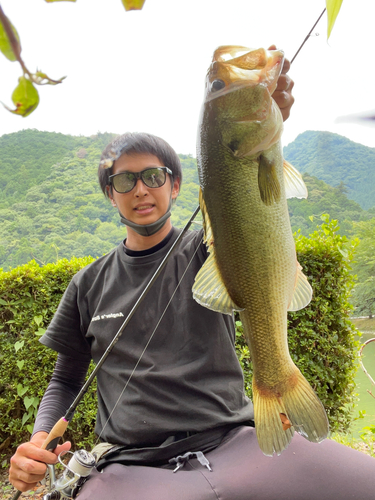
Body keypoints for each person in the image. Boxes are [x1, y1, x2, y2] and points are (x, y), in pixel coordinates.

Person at [9, 54, 375, 500]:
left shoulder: (214, 246)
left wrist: (269, 113)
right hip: (131, 465)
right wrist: (37, 439)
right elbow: (66, 378)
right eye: (124, 181)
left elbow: (247, 207)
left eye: (153, 176)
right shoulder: (87, 284)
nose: (140, 189)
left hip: (238, 442)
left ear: (176, 185)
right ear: (111, 195)